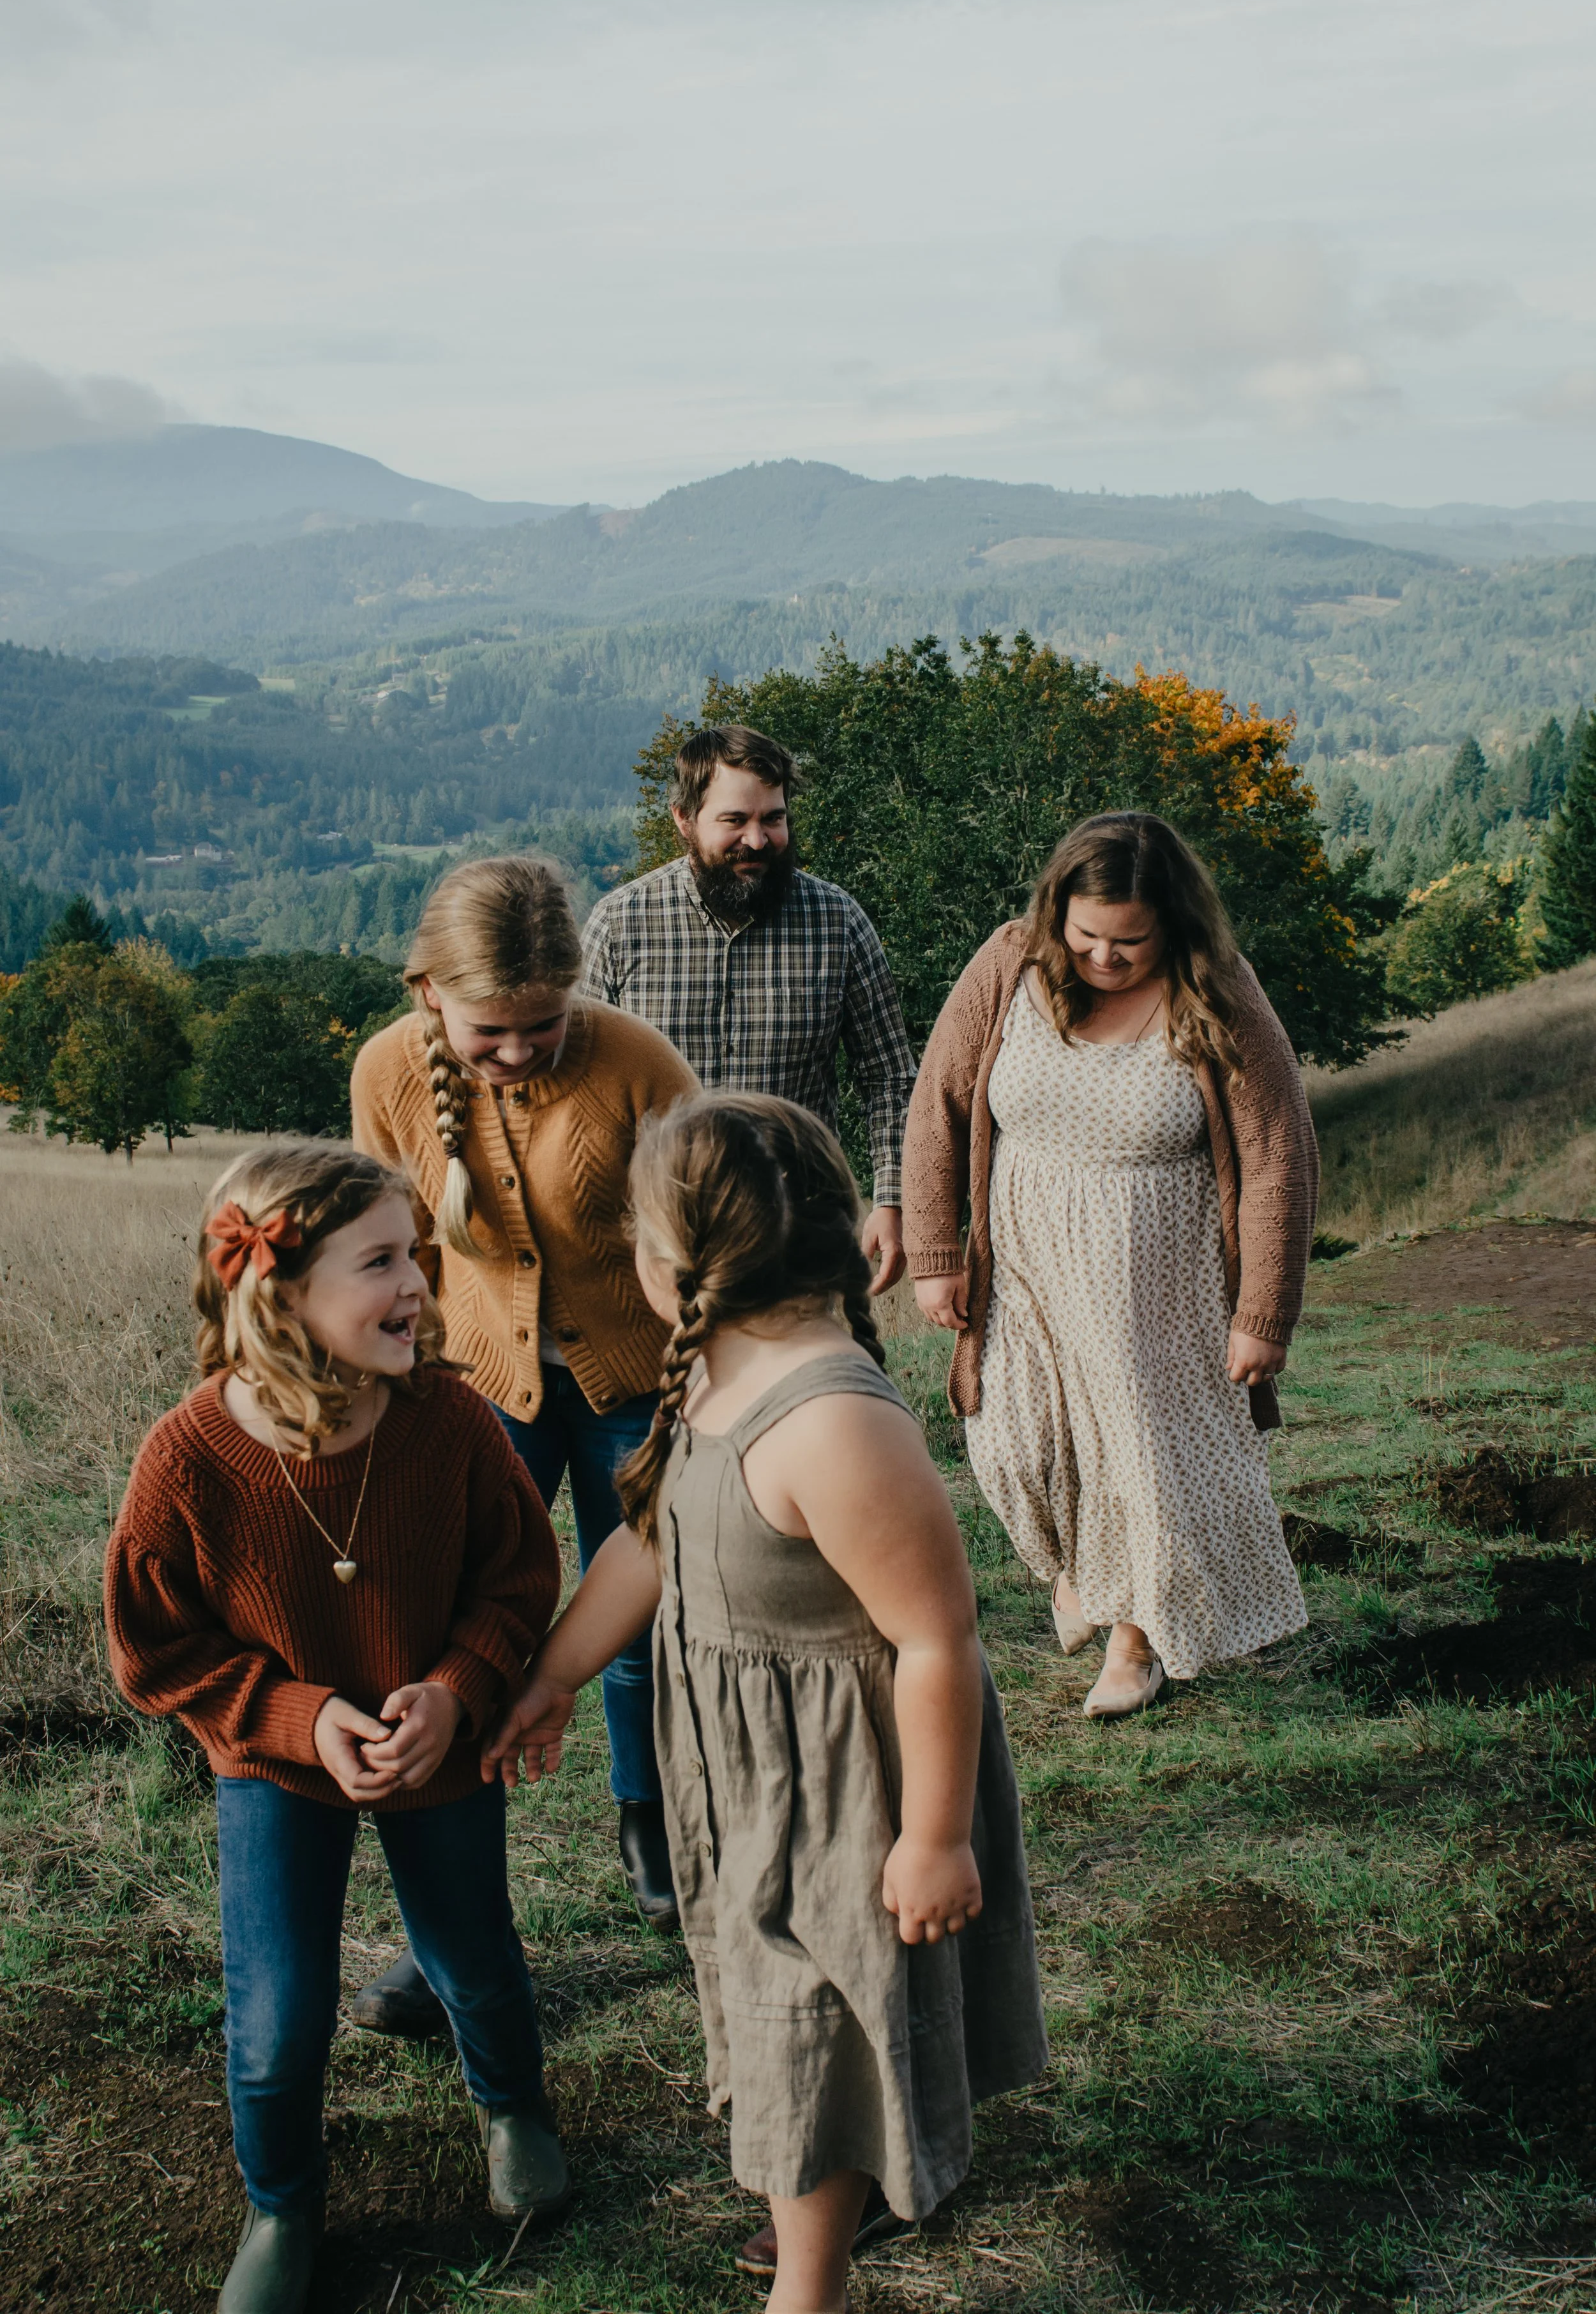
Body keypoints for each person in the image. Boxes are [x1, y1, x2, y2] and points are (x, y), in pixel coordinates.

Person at [483, 1094, 1048, 2310]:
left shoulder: (834, 1421)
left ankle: (810, 2284)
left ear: (661, 1262)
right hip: (747, 1775)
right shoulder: (715, 1375)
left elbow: (937, 1639)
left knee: (816, 2019)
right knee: (776, 2002)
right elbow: (650, 1543)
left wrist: (937, 1837)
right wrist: (552, 1676)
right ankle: (817, 2237)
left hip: (852, 1789)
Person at [103, 1144, 566, 2314]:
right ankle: (281, 2205)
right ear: (282, 1289)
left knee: (473, 1954)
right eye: (382, 1263)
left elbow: (515, 1577)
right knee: (279, 2010)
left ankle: (512, 2109)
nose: (419, 1284)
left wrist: (460, 1687)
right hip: (276, 1765)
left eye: (416, 1254)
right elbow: (154, 1649)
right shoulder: (189, 1459)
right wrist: (300, 1721)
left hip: (437, 1744)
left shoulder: (451, 1421)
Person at [348, 855, 698, 2042]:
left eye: (544, 1026)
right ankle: (451, 1925)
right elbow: (384, 1252)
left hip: (634, 1386)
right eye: (493, 1034)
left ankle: (654, 1826)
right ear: (430, 995)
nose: (522, 1052)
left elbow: (708, 1230)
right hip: (473, 1388)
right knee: (450, 1647)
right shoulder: (388, 1072)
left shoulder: (636, 1063)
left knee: (640, 1619)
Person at [905, 812, 1314, 1718]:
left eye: (1130, 940)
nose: (1105, 958)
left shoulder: (1218, 988)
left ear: (1171, 922)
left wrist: (1262, 1312)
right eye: (1087, 936)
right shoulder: (1009, 962)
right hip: (1024, 1270)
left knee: (1144, 1460)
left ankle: (1135, 1645)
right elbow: (939, 1099)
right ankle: (1076, 1572)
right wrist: (936, 1255)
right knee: (1011, 1442)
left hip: (1158, 1281)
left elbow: (1280, 1146)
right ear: (1057, 915)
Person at [580, 721, 916, 1295]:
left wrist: (893, 1198)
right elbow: (580, 1089)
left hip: (799, 1228)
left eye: (773, 818)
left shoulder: (838, 923)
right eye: (734, 821)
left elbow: (889, 1077)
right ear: (684, 821)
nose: (758, 840)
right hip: (660, 1236)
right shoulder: (620, 925)